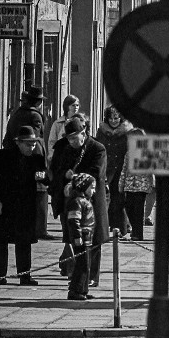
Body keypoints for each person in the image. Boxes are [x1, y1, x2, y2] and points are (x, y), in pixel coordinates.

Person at [0, 126, 48, 285]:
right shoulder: (3, 156)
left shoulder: (36, 158)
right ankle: (0, 275)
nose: (31, 147)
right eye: (28, 144)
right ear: (18, 143)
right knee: (0, 241)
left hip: (25, 206)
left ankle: (25, 275)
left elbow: (46, 178)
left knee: (24, 242)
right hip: (5, 204)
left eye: (33, 144)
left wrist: (43, 176)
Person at [49, 117, 108, 285]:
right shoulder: (65, 149)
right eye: (70, 138)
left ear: (84, 133)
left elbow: (96, 173)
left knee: (94, 240)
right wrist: (63, 177)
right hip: (72, 202)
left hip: (92, 201)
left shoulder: (97, 148)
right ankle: (78, 275)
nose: (73, 141)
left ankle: (91, 276)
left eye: (76, 137)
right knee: (76, 238)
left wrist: (73, 177)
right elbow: (57, 170)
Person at [3, 86, 50, 240]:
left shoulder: (16, 114)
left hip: (14, 159)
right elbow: (34, 139)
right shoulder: (35, 116)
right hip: (33, 159)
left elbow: (7, 138)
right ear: (38, 102)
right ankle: (39, 229)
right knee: (40, 192)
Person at [95, 106, 132, 238]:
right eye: (111, 118)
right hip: (107, 168)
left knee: (120, 199)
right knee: (105, 198)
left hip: (122, 168)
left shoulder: (127, 132)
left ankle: (121, 228)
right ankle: (106, 227)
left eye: (116, 118)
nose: (113, 121)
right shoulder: (102, 131)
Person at [117, 125, 153, 241]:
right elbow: (124, 169)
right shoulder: (128, 153)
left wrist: (152, 183)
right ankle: (134, 230)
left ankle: (138, 233)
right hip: (129, 185)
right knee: (129, 207)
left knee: (138, 210)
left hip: (141, 186)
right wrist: (121, 184)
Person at [64, 173, 96, 301]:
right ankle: (75, 290)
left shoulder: (84, 201)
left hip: (87, 237)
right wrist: (77, 236)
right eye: (91, 187)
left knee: (86, 264)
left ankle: (83, 289)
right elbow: (73, 220)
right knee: (81, 265)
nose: (93, 190)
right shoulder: (77, 202)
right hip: (82, 237)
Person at [47, 95, 80, 162]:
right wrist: (52, 155)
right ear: (67, 106)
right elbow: (52, 141)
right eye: (73, 105)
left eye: (77, 105)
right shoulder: (58, 123)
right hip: (61, 155)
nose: (75, 107)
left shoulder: (81, 121)